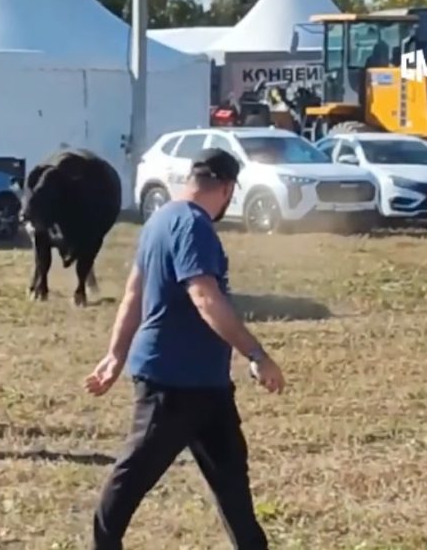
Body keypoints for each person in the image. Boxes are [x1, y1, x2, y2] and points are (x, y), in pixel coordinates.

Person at [83, 148, 286, 550]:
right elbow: (205, 297)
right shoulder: (194, 227)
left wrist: (116, 354)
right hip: (172, 382)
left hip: (207, 385)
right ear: (227, 188)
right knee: (133, 474)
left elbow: (133, 294)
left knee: (232, 481)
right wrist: (257, 355)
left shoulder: (160, 219)